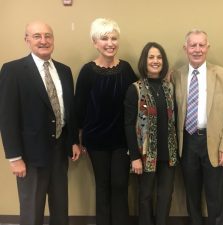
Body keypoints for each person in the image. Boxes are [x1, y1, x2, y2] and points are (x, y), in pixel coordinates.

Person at [0, 21, 81, 225]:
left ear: (53, 39)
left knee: (60, 208)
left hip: (59, 151)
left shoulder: (64, 70)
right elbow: (7, 117)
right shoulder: (13, 70)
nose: (43, 41)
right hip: (30, 155)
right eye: (37, 36)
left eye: (48, 36)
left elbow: (68, 110)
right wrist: (14, 157)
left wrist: (72, 141)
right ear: (27, 40)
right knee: (32, 211)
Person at [74, 18, 137, 225]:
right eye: (104, 38)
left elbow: (141, 95)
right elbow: (79, 109)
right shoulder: (87, 72)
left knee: (120, 186)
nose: (110, 43)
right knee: (102, 186)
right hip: (96, 141)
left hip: (121, 141)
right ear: (95, 42)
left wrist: (164, 79)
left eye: (113, 38)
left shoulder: (126, 69)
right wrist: (78, 138)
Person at [172, 29, 223, 225]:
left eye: (202, 45)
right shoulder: (177, 75)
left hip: (214, 142)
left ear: (208, 47)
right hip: (187, 141)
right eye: (193, 45)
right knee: (191, 194)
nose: (197, 49)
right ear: (186, 48)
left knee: (216, 194)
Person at [124, 42, 178, 225]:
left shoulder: (169, 88)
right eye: (151, 57)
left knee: (165, 196)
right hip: (145, 155)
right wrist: (134, 157)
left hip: (168, 154)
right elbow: (128, 125)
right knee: (145, 196)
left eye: (159, 57)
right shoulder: (135, 89)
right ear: (144, 61)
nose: (156, 61)